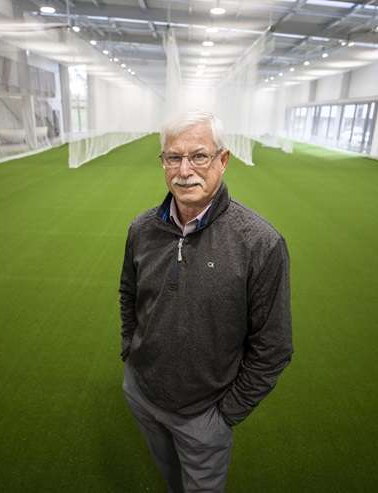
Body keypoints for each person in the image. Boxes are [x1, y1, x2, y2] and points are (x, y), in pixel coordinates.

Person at [119, 110, 293, 493]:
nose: (185, 170)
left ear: (223, 160)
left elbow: (274, 346)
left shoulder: (260, 243)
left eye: (199, 156)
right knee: (170, 478)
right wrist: (130, 355)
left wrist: (225, 415)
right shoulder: (141, 229)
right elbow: (129, 296)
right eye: (173, 157)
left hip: (205, 414)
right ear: (163, 161)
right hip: (143, 394)